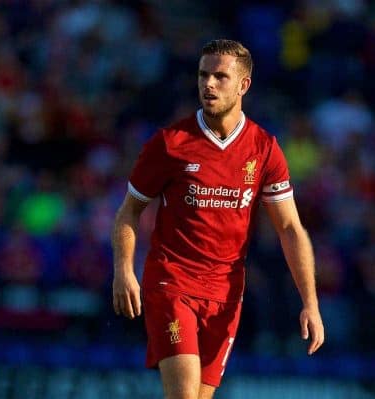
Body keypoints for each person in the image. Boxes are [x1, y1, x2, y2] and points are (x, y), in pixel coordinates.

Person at [111, 39, 325, 399]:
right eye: (203, 75)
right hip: (172, 283)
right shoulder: (169, 144)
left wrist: (311, 303)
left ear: (244, 85)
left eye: (220, 76)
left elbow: (290, 228)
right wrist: (123, 269)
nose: (208, 84)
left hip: (225, 294)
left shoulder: (264, 148)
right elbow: (128, 212)